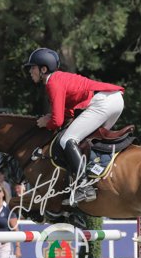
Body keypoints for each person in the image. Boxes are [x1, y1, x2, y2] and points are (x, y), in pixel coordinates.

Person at [25, 47, 124, 206]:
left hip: (103, 102)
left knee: (67, 140)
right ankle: (96, 178)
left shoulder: (53, 83)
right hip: (115, 99)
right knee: (88, 142)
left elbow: (57, 121)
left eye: (33, 68)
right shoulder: (59, 78)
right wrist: (52, 117)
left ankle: (84, 186)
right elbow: (68, 112)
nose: (30, 71)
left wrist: (46, 122)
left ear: (43, 69)